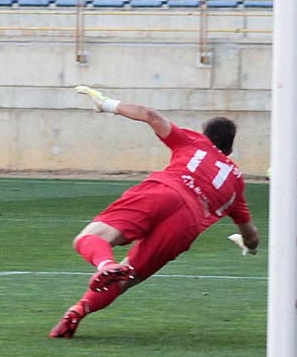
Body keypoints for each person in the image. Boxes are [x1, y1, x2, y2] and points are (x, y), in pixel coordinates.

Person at [49, 86, 259, 338]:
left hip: (165, 191)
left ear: (206, 135)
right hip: (187, 225)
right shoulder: (236, 183)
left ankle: (105, 264)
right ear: (229, 150)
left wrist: (105, 103)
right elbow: (251, 234)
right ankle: (77, 311)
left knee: (90, 237)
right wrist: (250, 248)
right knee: (127, 277)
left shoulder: (196, 142)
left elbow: (149, 114)